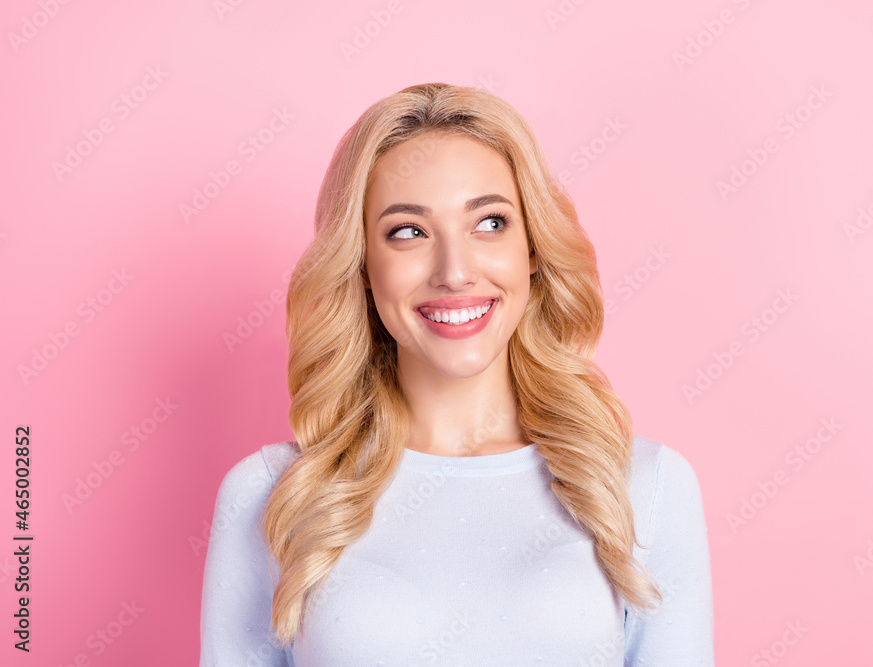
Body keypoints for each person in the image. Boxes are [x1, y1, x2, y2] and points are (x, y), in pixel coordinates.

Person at [199, 82, 713, 665]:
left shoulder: (645, 486)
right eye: (408, 232)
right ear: (363, 265)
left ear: (533, 249)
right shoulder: (270, 496)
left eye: (489, 223)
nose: (455, 271)